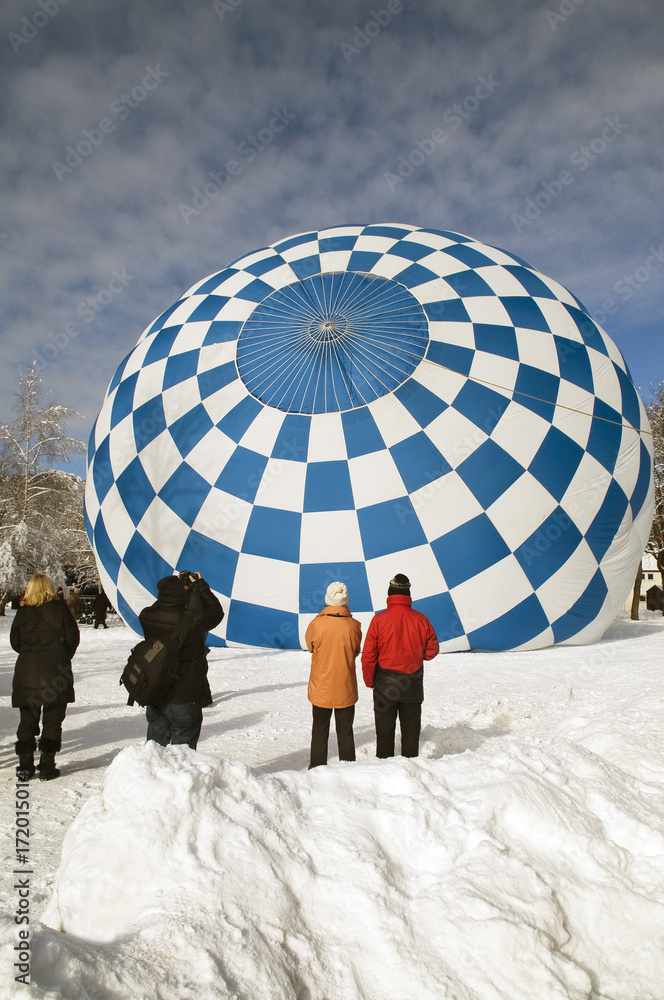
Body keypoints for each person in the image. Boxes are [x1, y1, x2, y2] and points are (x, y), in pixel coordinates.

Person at [139, 571, 223, 750]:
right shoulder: (194, 620)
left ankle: (152, 777)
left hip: (156, 692)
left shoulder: (146, 616)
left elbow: (161, 605)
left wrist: (172, 587)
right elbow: (216, 612)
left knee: (154, 749)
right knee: (182, 754)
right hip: (184, 695)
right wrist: (199, 585)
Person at [361, 573, 439, 759]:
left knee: (384, 733)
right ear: (408, 595)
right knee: (411, 733)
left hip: (385, 685)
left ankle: (384, 768)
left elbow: (368, 656)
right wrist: (418, 656)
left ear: (390, 594)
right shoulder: (421, 619)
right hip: (412, 683)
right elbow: (432, 649)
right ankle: (411, 771)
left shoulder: (379, 620)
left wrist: (369, 680)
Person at [11, 573, 80, 780]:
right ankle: (47, 766)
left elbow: (16, 641)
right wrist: (61, 656)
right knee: (53, 719)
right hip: (56, 672)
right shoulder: (60, 609)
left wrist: (29, 654)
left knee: (27, 720)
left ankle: (25, 766)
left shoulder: (23, 613)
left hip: (27, 673)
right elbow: (72, 638)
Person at [305, 581, 362, 769]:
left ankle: (316, 768)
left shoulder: (316, 624)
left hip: (321, 688)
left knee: (319, 731)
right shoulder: (354, 626)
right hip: (345, 687)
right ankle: (348, 770)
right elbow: (355, 650)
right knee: (345, 732)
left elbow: (310, 647)